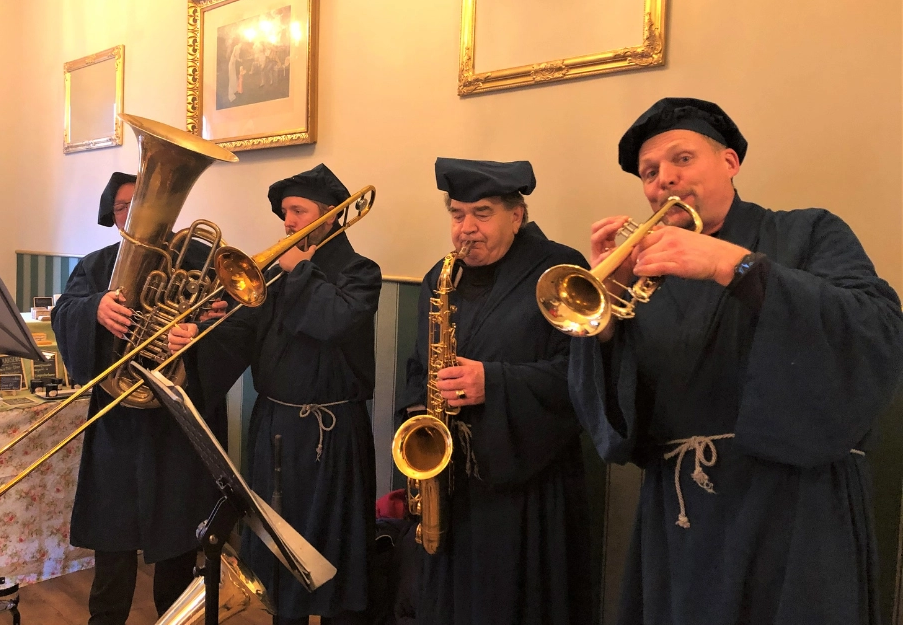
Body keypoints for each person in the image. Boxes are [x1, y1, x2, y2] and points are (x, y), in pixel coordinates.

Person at [567, 97, 903, 625]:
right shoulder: (646, 274)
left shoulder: (809, 231)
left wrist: (736, 266)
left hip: (794, 506)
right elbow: (619, 419)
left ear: (730, 163)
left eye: (682, 159)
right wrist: (605, 317)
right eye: (650, 173)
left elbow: (874, 329)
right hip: (683, 512)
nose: (664, 182)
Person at [168, 163, 382, 625]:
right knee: (278, 554)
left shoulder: (361, 272)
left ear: (329, 215)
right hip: (276, 427)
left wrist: (302, 269)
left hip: (333, 435)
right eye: (285, 211)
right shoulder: (275, 276)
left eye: (298, 210)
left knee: (335, 547)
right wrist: (196, 341)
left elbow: (334, 322)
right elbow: (241, 336)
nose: (287, 221)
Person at [398, 158, 593, 625]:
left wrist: (495, 381)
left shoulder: (560, 271)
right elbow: (417, 365)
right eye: (457, 214)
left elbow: (582, 375)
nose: (466, 229)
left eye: (482, 214)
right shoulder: (442, 276)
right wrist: (420, 419)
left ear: (516, 216)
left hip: (526, 488)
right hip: (452, 480)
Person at [51, 171, 228, 624]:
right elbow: (65, 312)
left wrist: (199, 332)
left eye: (145, 202)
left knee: (178, 541)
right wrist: (94, 308)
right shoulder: (96, 265)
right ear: (114, 216)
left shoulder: (201, 260)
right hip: (118, 421)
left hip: (176, 424)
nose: (137, 213)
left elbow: (231, 327)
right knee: (113, 543)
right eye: (125, 206)